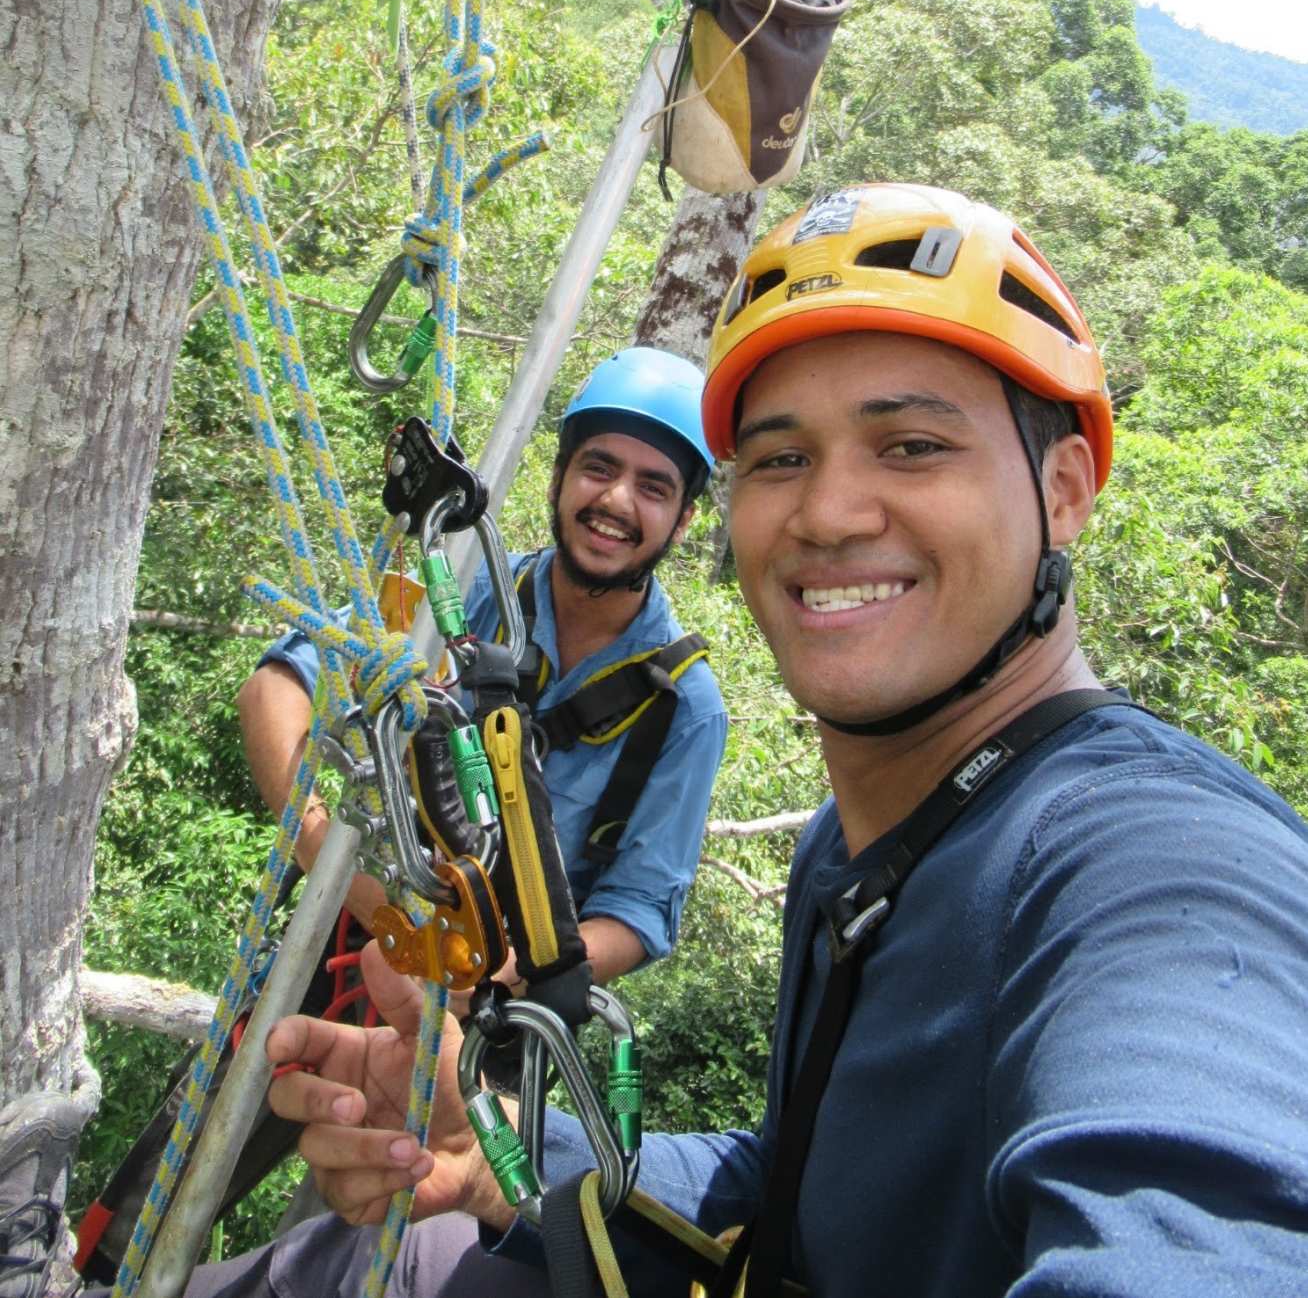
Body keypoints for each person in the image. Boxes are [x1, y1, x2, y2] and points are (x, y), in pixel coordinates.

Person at [7, 185, 1308, 1298]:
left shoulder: (1150, 864)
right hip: (376, 972)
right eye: (782, 459)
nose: (834, 507)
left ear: (1066, 486)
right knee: (256, 1206)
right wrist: (521, 1153)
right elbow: (793, 1188)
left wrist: (486, 956)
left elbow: (1200, 1211)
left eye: (912, 444)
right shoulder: (850, 852)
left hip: (502, 998)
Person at [237, 344, 728, 988]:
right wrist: (326, 851)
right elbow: (274, 689)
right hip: (348, 941)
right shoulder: (467, 588)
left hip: (495, 1006)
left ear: (684, 520)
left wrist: (493, 978)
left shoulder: (683, 707)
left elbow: (637, 912)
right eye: (598, 467)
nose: (615, 499)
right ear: (557, 479)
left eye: (653, 487)